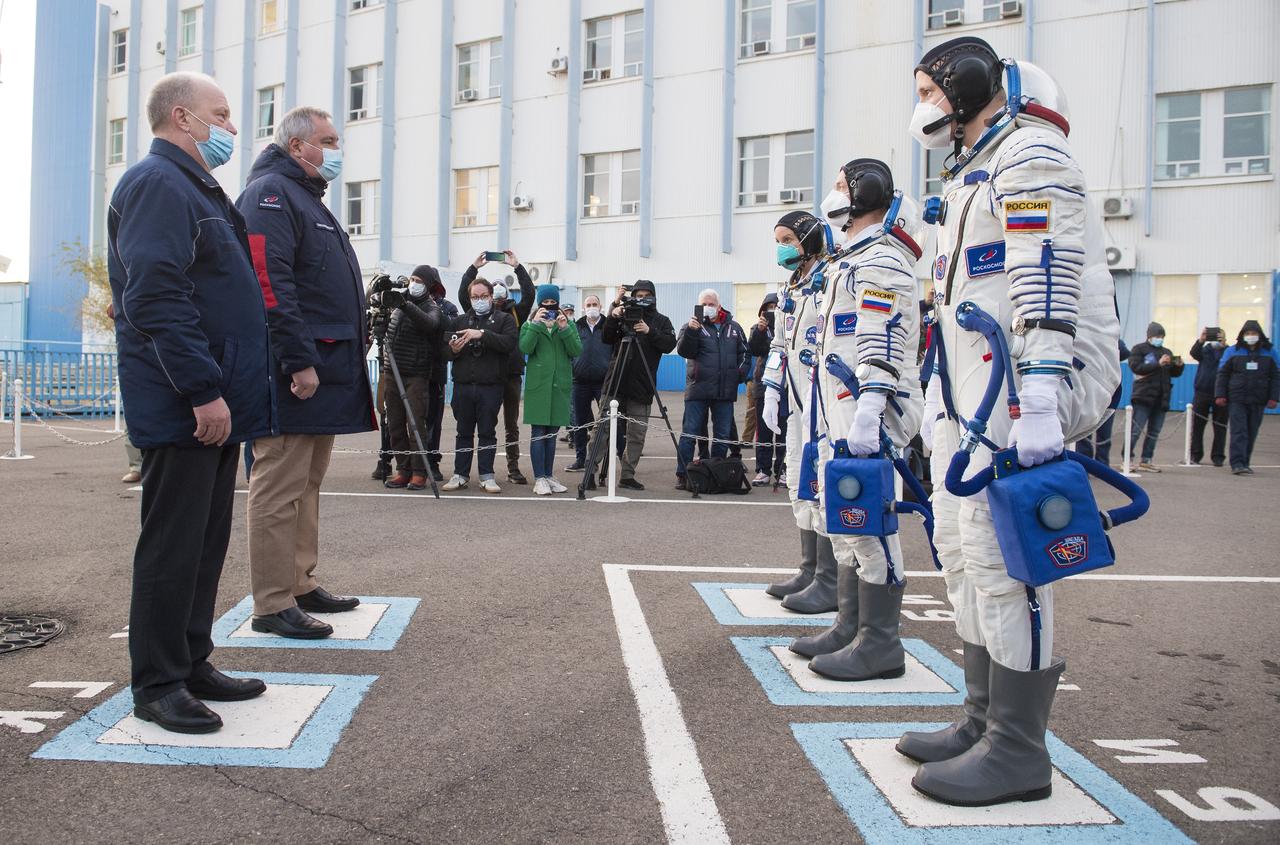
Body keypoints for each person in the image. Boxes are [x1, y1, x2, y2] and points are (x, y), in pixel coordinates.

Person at [896, 39, 1122, 806]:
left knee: (1006, 562)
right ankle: (983, 717)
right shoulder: (974, 171)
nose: (924, 103)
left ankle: (1019, 751)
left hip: (1020, 389)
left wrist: (1046, 394)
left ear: (966, 86)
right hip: (973, 393)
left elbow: (1043, 269)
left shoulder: (1031, 154)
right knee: (961, 550)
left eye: (930, 88)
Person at [108, 72, 273, 733]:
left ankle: (191, 658)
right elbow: (155, 297)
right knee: (172, 546)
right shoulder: (157, 184)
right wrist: (202, 389)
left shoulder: (195, 185)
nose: (232, 127)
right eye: (223, 115)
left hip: (215, 400)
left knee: (204, 544)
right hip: (185, 403)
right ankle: (157, 682)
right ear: (183, 117)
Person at [237, 105, 373, 640]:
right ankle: (272, 602)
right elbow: (270, 284)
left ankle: (298, 581)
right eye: (329, 139)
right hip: (297, 367)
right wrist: (297, 359)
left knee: (308, 482)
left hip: (325, 365)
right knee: (279, 484)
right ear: (298, 147)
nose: (337, 149)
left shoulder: (303, 196)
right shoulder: (270, 194)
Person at [793, 159, 924, 683]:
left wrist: (870, 407)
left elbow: (882, 334)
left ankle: (881, 642)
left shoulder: (883, 259)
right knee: (842, 518)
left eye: (840, 185)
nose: (832, 193)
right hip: (839, 404)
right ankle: (851, 625)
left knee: (869, 520)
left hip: (869, 404)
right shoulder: (854, 258)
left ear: (864, 193)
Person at [760, 211, 838, 615]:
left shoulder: (830, 282)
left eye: (788, 238)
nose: (782, 246)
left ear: (808, 239)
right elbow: (779, 343)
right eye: (778, 239)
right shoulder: (792, 287)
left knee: (823, 485)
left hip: (824, 405)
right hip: (796, 403)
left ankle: (830, 578)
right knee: (798, 480)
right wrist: (771, 388)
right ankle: (810, 569)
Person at [585, 280, 677, 491]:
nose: (642, 299)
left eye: (647, 295)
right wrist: (613, 312)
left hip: (642, 384)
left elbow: (669, 344)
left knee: (636, 433)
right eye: (638, 295)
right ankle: (590, 471)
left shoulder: (661, 320)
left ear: (654, 296)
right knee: (602, 429)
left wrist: (649, 331)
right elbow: (607, 337)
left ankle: (627, 474)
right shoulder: (622, 314)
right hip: (616, 381)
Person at [458, 251, 535, 485]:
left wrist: (517, 267)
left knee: (511, 424)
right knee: (483, 425)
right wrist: (474, 268)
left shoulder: (515, 312)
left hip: (510, 374)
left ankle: (513, 468)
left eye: (501, 288)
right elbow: (464, 293)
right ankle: (470, 472)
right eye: (494, 288)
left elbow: (530, 293)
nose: (497, 293)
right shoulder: (479, 311)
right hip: (488, 375)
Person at [443, 278, 518, 493]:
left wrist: (482, 335)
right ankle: (460, 474)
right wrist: (454, 350)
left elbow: (509, 344)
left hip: (491, 386)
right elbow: (444, 351)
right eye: (475, 297)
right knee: (463, 431)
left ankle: (487, 475)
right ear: (469, 298)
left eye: (483, 296)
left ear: (491, 297)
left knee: (487, 431)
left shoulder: (504, 319)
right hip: (463, 385)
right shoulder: (459, 321)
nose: (479, 301)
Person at [381, 268, 446, 490]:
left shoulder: (431, 306)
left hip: (416, 374)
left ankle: (419, 472)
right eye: (412, 279)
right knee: (395, 424)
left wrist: (404, 305)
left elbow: (430, 324)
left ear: (428, 285)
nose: (413, 283)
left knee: (416, 424)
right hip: (392, 370)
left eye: (419, 280)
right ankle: (403, 470)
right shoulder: (398, 301)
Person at [675, 289, 748, 488]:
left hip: (724, 391)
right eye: (704, 304)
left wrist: (738, 375)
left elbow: (745, 355)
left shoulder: (734, 328)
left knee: (722, 434)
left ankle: (717, 472)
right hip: (697, 390)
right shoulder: (691, 327)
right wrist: (692, 330)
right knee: (690, 433)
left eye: (711, 304)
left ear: (719, 305)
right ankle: (683, 473)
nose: (708, 307)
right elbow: (684, 350)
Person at [520, 285, 582, 494]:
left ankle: (548, 475)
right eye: (544, 303)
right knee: (539, 433)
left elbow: (576, 350)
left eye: (552, 303)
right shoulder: (530, 324)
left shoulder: (568, 324)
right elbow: (525, 348)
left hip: (559, 387)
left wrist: (564, 329)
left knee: (552, 434)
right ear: (539, 304)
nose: (549, 307)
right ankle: (539, 478)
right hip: (538, 387)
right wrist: (536, 324)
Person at [1215, 319, 1280, 475]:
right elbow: (1222, 374)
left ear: (1260, 335)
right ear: (1242, 335)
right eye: (1248, 333)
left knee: (1252, 431)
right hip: (1236, 398)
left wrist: (1274, 397)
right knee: (1239, 431)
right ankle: (1237, 463)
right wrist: (1220, 394)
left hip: (1258, 398)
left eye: (1254, 333)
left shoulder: (1270, 352)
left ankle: (1245, 462)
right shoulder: (1232, 351)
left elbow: (1276, 376)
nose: (1251, 336)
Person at [1127, 322, 1184, 472]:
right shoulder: (1139, 349)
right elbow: (1136, 367)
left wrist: (1179, 365)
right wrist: (1158, 364)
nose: (1159, 339)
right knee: (1135, 431)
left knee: (1154, 432)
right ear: (1149, 336)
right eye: (1157, 336)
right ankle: (1127, 458)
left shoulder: (1167, 351)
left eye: (1162, 336)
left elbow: (1174, 373)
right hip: (1143, 397)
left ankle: (1146, 459)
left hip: (1161, 398)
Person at [567, 295, 611, 472]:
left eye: (595, 304)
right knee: (579, 423)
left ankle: (607, 458)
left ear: (600, 306)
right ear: (583, 308)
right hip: (580, 382)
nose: (592, 307)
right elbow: (570, 350)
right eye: (588, 305)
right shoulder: (576, 326)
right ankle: (580, 460)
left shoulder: (609, 326)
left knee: (607, 422)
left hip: (603, 383)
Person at [748, 293, 785, 485]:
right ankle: (763, 470)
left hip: (785, 385)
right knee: (763, 430)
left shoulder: (789, 326)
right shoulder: (758, 328)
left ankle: (783, 469)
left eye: (775, 307)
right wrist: (761, 331)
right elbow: (755, 349)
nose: (771, 311)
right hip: (763, 385)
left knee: (783, 429)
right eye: (768, 308)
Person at [1075, 339, 1129, 466]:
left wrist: (1109, 342)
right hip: (1087, 391)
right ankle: (1085, 464)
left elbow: (1126, 352)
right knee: (1083, 433)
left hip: (1106, 394)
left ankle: (1102, 464)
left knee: (1105, 433)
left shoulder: (1109, 341)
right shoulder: (1083, 339)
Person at [1189, 327, 1229, 467]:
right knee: (1197, 426)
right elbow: (1193, 353)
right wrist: (1201, 340)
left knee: (1220, 427)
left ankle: (1218, 456)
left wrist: (1223, 345)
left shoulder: (1228, 351)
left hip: (1221, 394)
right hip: (1202, 392)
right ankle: (1195, 454)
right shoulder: (1205, 350)